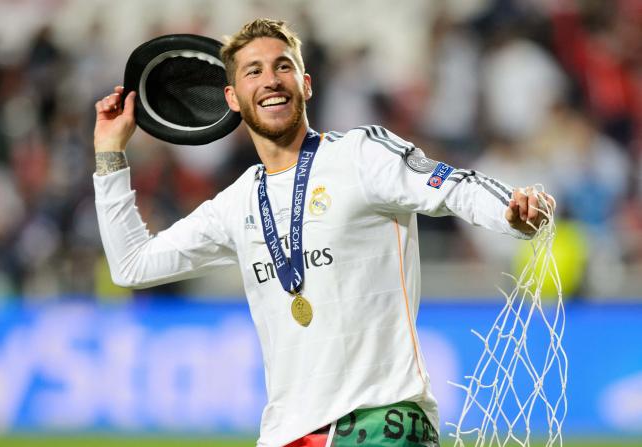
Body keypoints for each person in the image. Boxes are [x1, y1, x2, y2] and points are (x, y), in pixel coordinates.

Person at [93, 18, 554, 447]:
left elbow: (454, 186)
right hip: (285, 432)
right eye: (253, 71)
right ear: (232, 98)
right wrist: (110, 154)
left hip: (380, 423)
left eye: (283, 66)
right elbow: (133, 265)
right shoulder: (236, 203)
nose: (271, 80)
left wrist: (510, 213)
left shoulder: (361, 154)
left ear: (305, 84)